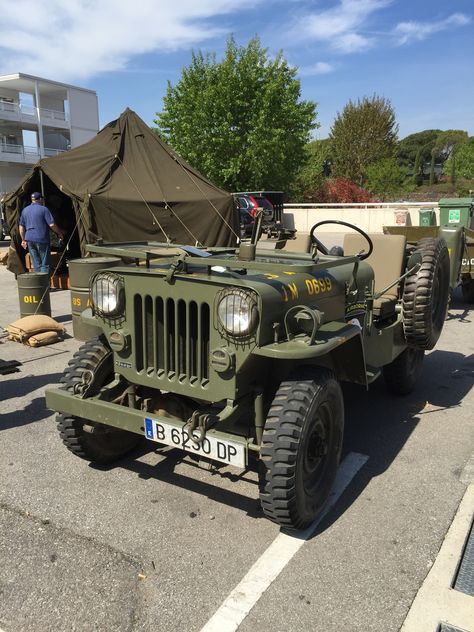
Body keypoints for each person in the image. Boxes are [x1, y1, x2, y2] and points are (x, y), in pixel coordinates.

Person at [19, 192, 64, 273]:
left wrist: (23, 239)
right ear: (40, 199)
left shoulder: (25, 210)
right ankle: (45, 285)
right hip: (42, 239)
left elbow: (21, 227)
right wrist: (59, 233)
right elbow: (52, 224)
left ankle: (39, 284)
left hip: (29, 239)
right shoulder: (44, 209)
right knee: (45, 264)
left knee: (36, 264)